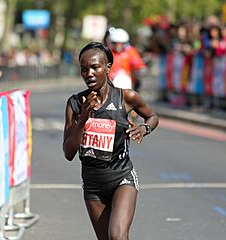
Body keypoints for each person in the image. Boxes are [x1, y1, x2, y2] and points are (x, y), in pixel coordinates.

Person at [63, 42, 158, 240]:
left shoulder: (126, 97)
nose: (89, 73)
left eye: (95, 67)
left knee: (118, 236)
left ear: (107, 68)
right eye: (83, 69)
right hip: (93, 184)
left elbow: (153, 117)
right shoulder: (75, 104)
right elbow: (68, 153)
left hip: (122, 178)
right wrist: (83, 119)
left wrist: (144, 128)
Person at [108, 28, 146, 92]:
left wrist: (140, 68)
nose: (118, 46)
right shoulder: (109, 53)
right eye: (116, 43)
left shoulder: (130, 51)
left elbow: (137, 62)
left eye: (121, 43)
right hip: (111, 82)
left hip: (128, 81)